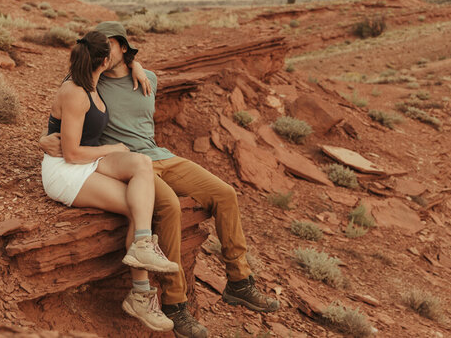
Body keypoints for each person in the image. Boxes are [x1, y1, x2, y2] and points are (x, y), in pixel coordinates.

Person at [41, 21, 279, 338]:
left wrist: (137, 66)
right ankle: (175, 305)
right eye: (98, 47)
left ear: (123, 47)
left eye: (108, 44)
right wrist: (42, 141)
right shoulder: (87, 79)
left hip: (159, 155)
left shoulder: (147, 78)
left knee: (224, 194)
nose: (102, 52)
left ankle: (239, 282)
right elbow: (63, 114)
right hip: (121, 163)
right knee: (167, 207)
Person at [40, 29, 178, 332]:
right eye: (112, 52)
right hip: (66, 170)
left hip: (88, 159)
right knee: (135, 205)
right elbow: (72, 153)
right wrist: (114, 148)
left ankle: (143, 242)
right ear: (104, 59)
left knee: (141, 164)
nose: (117, 57)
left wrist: (137, 66)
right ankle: (141, 295)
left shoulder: (91, 81)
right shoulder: (76, 92)